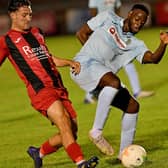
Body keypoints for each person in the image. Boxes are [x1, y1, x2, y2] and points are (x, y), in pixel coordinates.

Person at [0, 0, 99, 168]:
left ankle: (38, 152)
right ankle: (81, 163)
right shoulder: (6, 41)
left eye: (30, 14)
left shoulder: (38, 32)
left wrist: (69, 62)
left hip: (58, 87)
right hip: (40, 90)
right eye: (24, 15)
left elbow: (48, 58)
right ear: (13, 15)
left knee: (72, 131)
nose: (28, 18)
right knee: (63, 122)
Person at [71, 4, 168, 158]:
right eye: (137, 18)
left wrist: (163, 44)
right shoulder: (108, 17)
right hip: (83, 66)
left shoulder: (136, 45)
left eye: (142, 22)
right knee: (114, 82)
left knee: (132, 105)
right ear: (129, 14)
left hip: (105, 80)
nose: (139, 23)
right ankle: (96, 132)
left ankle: (124, 154)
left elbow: (153, 58)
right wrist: (91, 56)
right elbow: (81, 33)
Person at [83, 0, 154, 104]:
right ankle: (89, 95)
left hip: (116, 30)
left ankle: (137, 90)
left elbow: (117, 12)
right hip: (104, 32)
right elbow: (93, 14)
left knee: (127, 60)